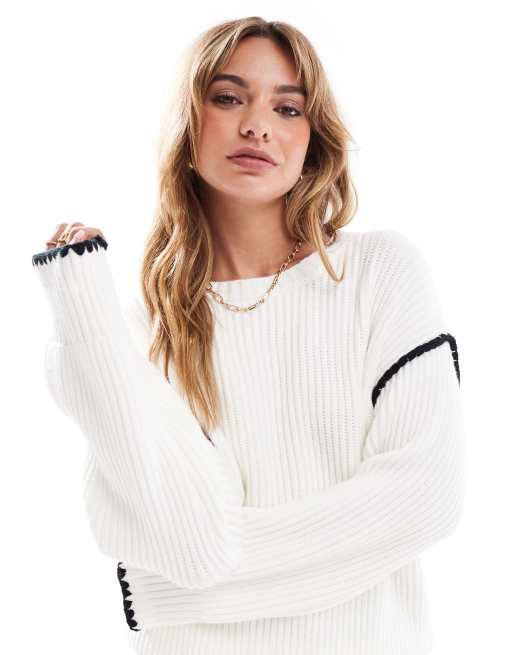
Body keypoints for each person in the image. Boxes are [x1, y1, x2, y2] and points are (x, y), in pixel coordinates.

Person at [32, 16, 466, 655]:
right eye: (228, 97)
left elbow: (424, 497)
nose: (257, 125)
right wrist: (80, 301)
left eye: (287, 108)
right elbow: (181, 536)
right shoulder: (145, 328)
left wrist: (173, 593)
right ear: (189, 123)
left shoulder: (378, 273)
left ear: (312, 140)